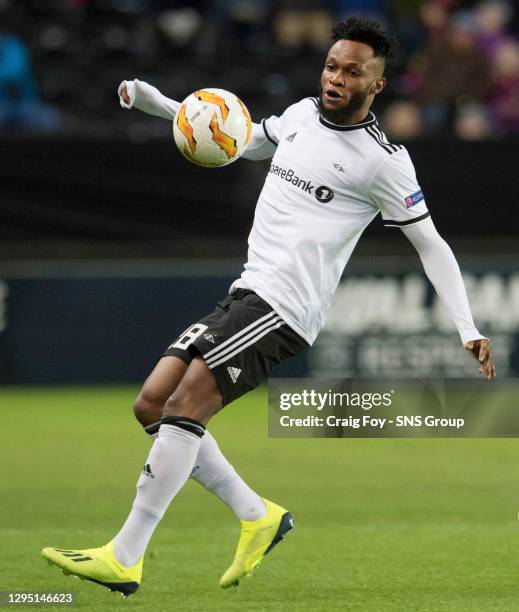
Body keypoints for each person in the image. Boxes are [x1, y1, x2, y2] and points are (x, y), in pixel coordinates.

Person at [41, 17, 496, 597]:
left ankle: (125, 556)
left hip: (285, 308)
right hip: (248, 291)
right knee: (152, 404)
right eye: (332, 65)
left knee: (184, 406)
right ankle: (257, 515)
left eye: (352, 72)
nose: (335, 78)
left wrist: (467, 325)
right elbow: (246, 139)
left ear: (376, 85)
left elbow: (431, 244)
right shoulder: (303, 115)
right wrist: (161, 106)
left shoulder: (384, 162)